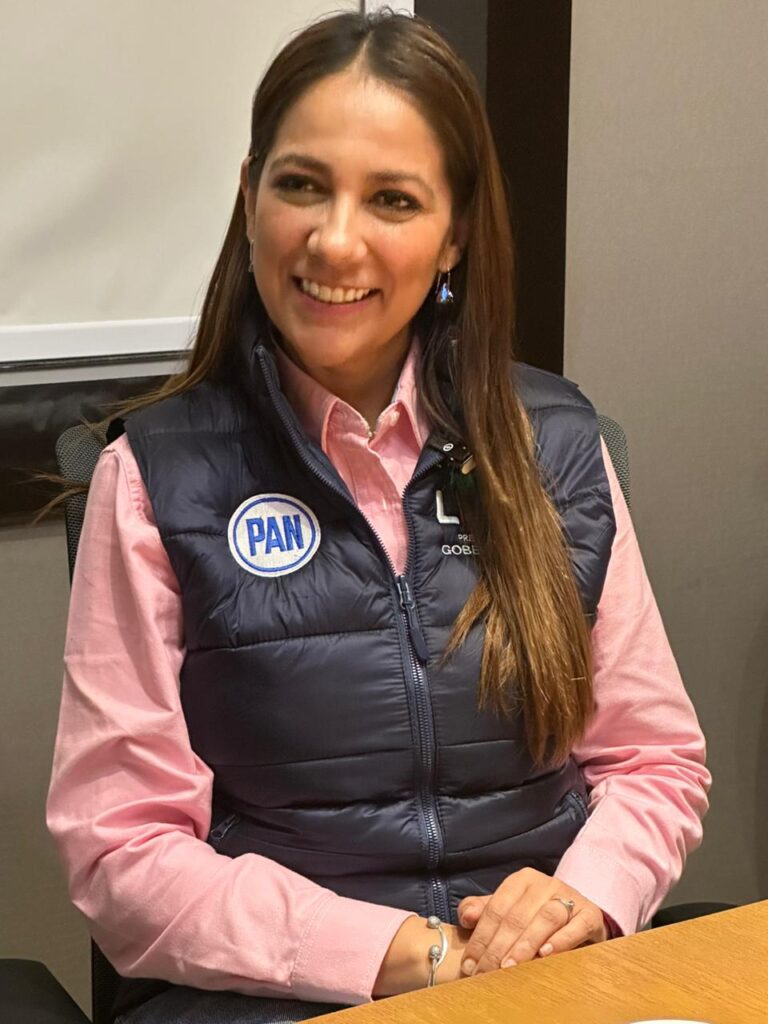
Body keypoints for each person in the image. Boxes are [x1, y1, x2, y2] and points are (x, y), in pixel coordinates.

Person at [47, 9, 710, 1024]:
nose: (336, 238)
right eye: (301, 185)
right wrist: (406, 953)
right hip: (280, 996)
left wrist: (580, 901)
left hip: (545, 981)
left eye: (392, 199)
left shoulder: (556, 445)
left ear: (453, 237)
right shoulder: (151, 475)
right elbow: (122, 850)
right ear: (249, 197)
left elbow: (652, 760)